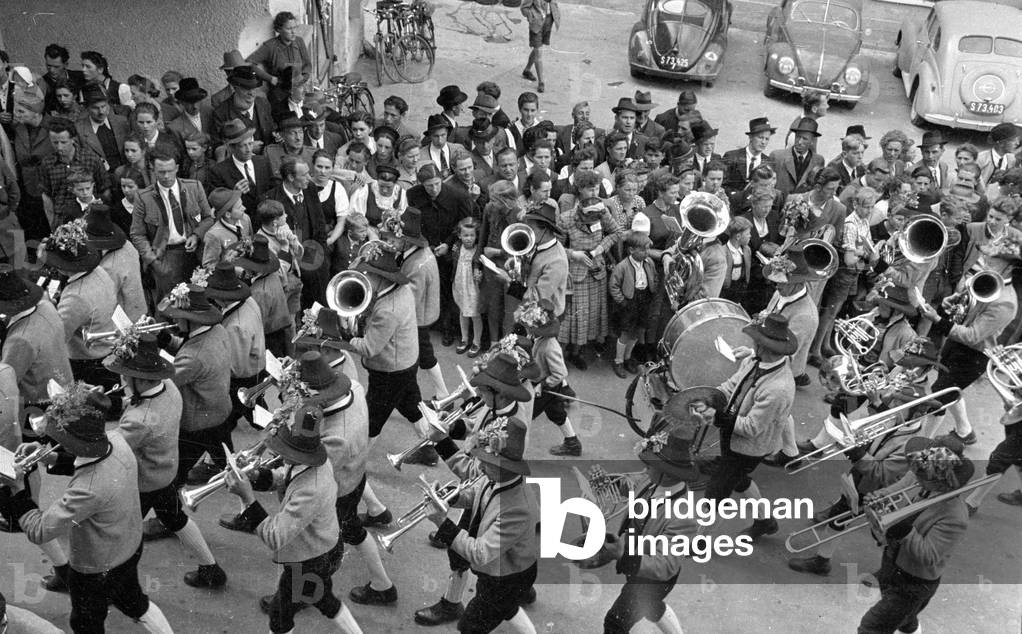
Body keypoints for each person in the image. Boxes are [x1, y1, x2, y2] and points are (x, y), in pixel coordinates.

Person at [5, 385, 175, 634]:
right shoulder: (115, 439)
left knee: (86, 624)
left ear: (77, 444)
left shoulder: (88, 489)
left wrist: (18, 490)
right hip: (128, 546)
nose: (54, 442)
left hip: (95, 569)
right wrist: (48, 456)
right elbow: (90, 460)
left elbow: (39, 530)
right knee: (136, 604)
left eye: (59, 440)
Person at [424, 354, 540, 634]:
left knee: (471, 626)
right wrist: (449, 498)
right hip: (504, 566)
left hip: (505, 572)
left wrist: (443, 523)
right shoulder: (495, 476)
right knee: (504, 605)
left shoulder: (513, 500)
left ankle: (453, 603)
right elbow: (477, 488)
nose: (477, 393)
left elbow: (480, 553)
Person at [103, 332, 227, 588]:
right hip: (164, 471)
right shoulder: (167, 386)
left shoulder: (141, 419)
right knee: (176, 519)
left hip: (143, 481)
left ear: (141, 379)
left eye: (126, 375)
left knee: (122, 534)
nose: (122, 379)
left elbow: (110, 447)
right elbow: (135, 401)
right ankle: (211, 568)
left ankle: (119, 586)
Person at [223, 409, 363, 634]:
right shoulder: (310, 460)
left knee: (280, 615)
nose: (277, 454)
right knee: (323, 599)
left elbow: (274, 537)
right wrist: (256, 476)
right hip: (321, 550)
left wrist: (247, 498)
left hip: (309, 559)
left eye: (283, 449)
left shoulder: (311, 489)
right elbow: (284, 478)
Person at [695, 313, 797, 540]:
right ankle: (765, 521)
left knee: (715, 493)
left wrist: (716, 416)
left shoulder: (778, 389)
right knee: (739, 480)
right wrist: (711, 398)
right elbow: (731, 386)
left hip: (747, 448)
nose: (753, 344)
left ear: (763, 346)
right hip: (733, 438)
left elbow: (751, 428)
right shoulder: (756, 360)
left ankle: (699, 541)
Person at [856, 438, 974, 634]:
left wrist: (905, 530)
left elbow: (929, 556)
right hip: (892, 563)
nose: (916, 475)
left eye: (922, 473)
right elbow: (894, 492)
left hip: (914, 583)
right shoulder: (921, 480)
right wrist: (878, 498)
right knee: (904, 618)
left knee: (871, 627)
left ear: (941, 481)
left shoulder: (955, 516)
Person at [598, 422, 696, 634]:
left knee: (615, 623)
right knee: (651, 607)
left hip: (654, 578)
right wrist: (611, 484)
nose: (644, 468)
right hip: (638, 565)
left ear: (667, 474)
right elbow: (633, 485)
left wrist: (624, 555)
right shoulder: (653, 480)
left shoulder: (684, 515)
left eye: (650, 465)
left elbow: (665, 564)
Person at [151, 285, 231, 497]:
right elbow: (188, 348)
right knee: (229, 463)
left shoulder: (193, 357)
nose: (174, 322)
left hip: (197, 422)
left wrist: (144, 352)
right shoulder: (216, 330)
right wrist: (164, 338)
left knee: (174, 474)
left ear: (191, 319)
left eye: (178, 317)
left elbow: (164, 380)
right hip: (219, 409)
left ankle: (169, 518)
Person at [40, 219, 118, 389]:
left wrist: (46, 305)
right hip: (107, 347)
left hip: (88, 360)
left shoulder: (76, 297)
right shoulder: (99, 271)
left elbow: (57, 337)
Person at [386, 207, 449, 414]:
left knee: (420, 357)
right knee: (422, 356)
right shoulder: (416, 254)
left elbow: (409, 299)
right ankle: (442, 395)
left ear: (408, 240)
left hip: (418, 317)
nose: (393, 243)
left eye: (397, 239)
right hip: (423, 313)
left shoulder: (417, 265)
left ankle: (442, 396)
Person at [131, 148, 214, 300]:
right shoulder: (143, 198)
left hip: (195, 255)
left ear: (176, 168)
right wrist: (154, 262)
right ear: (153, 170)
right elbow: (137, 234)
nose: (166, 176)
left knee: (199, 299)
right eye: (161, 172)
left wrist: (196, 235)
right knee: (170, 303)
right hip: (165, 257)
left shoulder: (194, 187)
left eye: (170, 171)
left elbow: (208, 218)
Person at [408, 163, 473, 345]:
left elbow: (465, 223)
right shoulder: (413, 194)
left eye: (437, 184)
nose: (434, 189)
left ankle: (448, 328)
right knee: (423, 286)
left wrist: (448, 243)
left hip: (447, 248)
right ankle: (423, 325)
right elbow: (413, 221)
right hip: (425, 247)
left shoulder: (458, 196)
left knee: (446, 290)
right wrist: (424, 243)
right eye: (429, 185)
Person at [557, 196, 620, 369]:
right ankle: (558, 359)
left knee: (588, 317)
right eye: (589, 219)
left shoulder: (602, 212)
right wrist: (573, 254)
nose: (593, 222)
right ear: (581, 213)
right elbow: (556, 246)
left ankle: (577, 353)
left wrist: (601, 248)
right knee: (570, 319)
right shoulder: (566, 219)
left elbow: (616, 232)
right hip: (575, 274)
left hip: (596, 272)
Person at [265, 155, 329, 309]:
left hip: (314, 250)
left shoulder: (310, 189)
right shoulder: (271, 200)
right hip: (288, 257)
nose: (309, 177)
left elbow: (319, 221)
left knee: (319, 278)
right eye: (304, 174)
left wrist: (319, 251)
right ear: (291, 177)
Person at [40, 118, 109, 228]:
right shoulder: (47, 163)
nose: (59, 147)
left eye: (63, 142)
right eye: (55, 142)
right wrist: (52, 222)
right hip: (62, 219)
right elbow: (46, 195)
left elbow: (105, 188)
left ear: (73, 139)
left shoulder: (91, 159)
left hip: (90, 217)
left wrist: (99, 213)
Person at [83, 202, 146, 321]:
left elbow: (102, 300)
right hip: (138, 309)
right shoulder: (128, 246)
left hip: (123, 319)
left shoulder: (109, 266)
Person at [207, 119, 274, 218]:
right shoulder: (218, 171)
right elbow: (218, 206)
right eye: (243, 146)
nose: (248, 150)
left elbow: (272, 189)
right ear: (232, 148)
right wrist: (234, 194)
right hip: (241, 222)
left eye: (250, 144)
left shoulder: (263, 162)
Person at [76, 85, 129, 173]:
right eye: (95, 108)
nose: (101, 112)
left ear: (108, 105)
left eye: (103, 106)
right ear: (87, 109)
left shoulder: (122, 122)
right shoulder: (79, 129)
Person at [722, 117, 776, 198]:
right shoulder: (732, 156)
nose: (763, 142)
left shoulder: (768, 162)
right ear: (751, 137)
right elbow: (722, 184)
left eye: (767, 139)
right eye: (760, 137)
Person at [453, 216, 484, 356]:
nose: (469, 238)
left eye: (472, 235)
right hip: (460, 285)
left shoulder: (478, 250)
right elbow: (452, 263)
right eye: (465, 235)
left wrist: (480, 274)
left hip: (473, 288)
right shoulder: (457, 248)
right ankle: (464, 339)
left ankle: (477, 342)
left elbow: (482, 266)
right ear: (459, 235)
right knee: (463, 312)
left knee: (475, 315)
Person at [202, 186, 252, 268]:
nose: (244, 208)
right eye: (239, 207)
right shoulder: (213, 235)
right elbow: (208, 266)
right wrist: (231, 268)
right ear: (228, 214)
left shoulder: (245, 219)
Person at [771, 117, 824, 195]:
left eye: (805, 139)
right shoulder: (777, 156)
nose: (799, 142)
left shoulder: (819, 161)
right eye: (798, 137)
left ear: (812, 141)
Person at [978, 122, 1019, 188]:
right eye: (1013, 140)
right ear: (1001, 143)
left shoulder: (1012, 160)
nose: (1017, 143)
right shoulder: (981, 159)